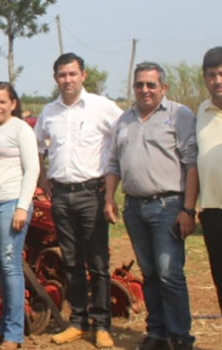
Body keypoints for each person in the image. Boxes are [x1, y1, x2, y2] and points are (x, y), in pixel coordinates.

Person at [104, 61, 198, 350]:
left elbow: (191, 164)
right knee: (150, 274)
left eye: (151, 84)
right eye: (139, 85)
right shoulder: (124, 120)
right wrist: (109, 198)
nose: (145, 90)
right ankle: (157, 333)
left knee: (170, 273)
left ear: (163, 88)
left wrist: (189, 209)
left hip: (167, 205)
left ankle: (180, 336)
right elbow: (113, 163)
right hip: (134, 208)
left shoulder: (178, 115)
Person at [34, 52, 122, 348]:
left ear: (83, 75)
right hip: (61, 196)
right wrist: (44, 183)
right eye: (62, 75)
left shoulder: (102, 107)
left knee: (97, 262)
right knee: (70, 262)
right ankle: (78, 322)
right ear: (55, 78)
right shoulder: (49, 112)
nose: (67, 80)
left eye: (72, 74)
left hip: (92, 194)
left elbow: (123, 139)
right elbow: (38, 150)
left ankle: (103, 324)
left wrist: (111, 189)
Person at [0, 82, 39, 350]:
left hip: (11, 203)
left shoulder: (20, 129)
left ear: (13, 103)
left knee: (11, 266)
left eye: (3, 102)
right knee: (0, 267)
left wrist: (22, 207)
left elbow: (33, 168)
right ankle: (3, 325)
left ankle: (15, 333)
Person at [197, 46, 222, 314]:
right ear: (204, 78)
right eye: (212, 75)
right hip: (213, 211)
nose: (218, 80)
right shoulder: (200, 114)